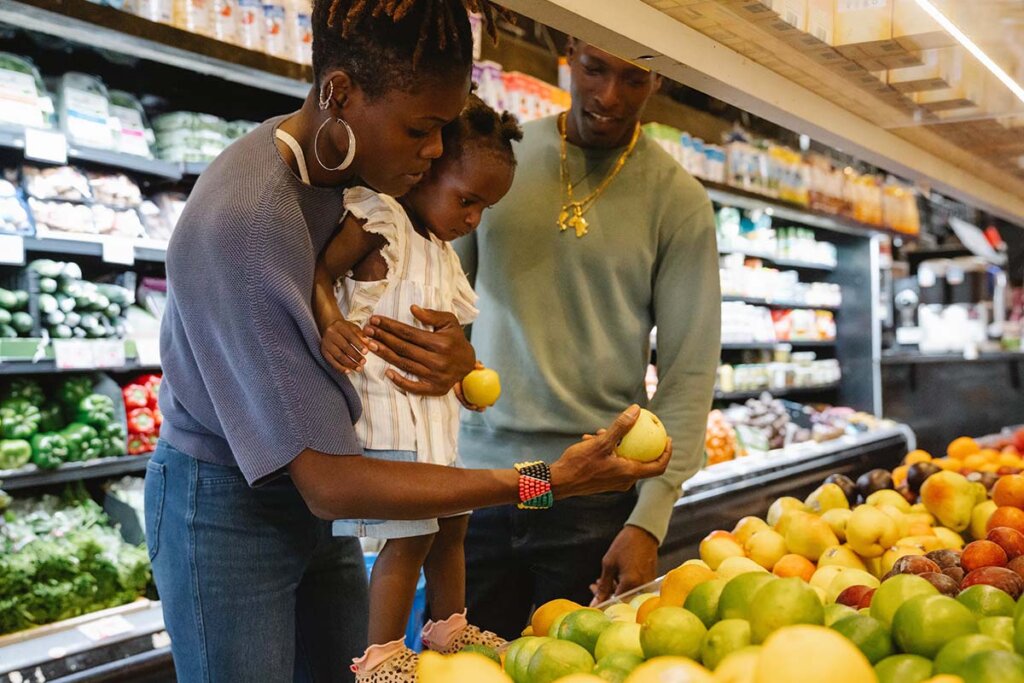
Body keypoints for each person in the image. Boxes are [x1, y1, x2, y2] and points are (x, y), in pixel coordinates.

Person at [147, 1, 670, 680]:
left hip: (317, 497)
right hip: (225, 508)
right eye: (422, 129)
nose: (434, 153)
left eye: (445, 130)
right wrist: (547, 483)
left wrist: (457, 362)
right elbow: (331, 484)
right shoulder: (249, 224)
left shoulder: (362, 168)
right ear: (340, 92)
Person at [456, 38, 721, 638]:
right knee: (459, 667)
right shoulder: (504, 158)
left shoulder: (678, 201)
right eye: (594, 70)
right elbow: (445, 304)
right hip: (484, 484)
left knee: (573, 669)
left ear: (659, 81)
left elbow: (688, 374)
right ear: (569, 55)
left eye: (633, 79)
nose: (608, 96)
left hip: (592, 494)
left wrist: (649, 519)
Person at [312, 95, 522, 681]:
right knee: (408, 539)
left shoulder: (443, 256)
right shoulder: (382, 221)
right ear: (426, 167)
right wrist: (332, 323)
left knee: (455, 522)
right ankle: (381, 655)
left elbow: (454, 340)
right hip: (387, 417)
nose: (474, 219)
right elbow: (316, 271)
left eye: (486, 208)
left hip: (435, 426)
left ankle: (449, 626)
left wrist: (466, 371)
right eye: (468, 199)